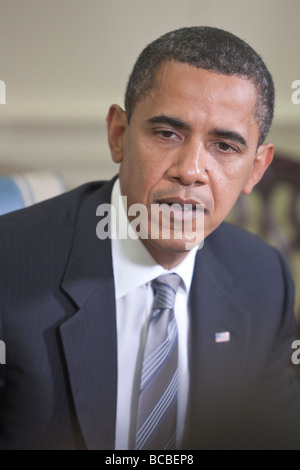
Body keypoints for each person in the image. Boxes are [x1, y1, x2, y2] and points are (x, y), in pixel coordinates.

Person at [0, 26, 299, 450]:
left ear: (256, 168)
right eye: (167, 134)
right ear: (119, 135)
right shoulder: (8, 267)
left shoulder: (263, 277)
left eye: (225, 147)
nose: (190, 169)